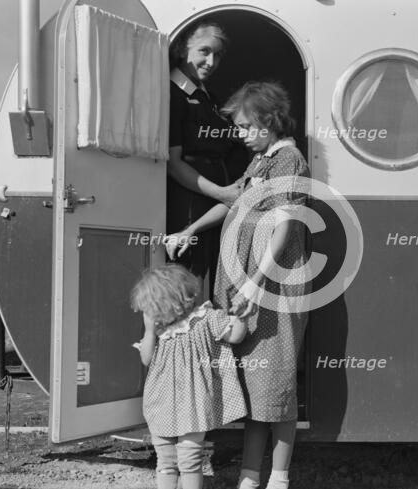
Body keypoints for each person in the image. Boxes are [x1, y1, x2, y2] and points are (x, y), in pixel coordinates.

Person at [166, 81, 310, 489]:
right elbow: (233, 200)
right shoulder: (261, 160)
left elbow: (285, 226)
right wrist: (190, 229)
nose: (240, 133)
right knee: (255, 383)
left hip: (273, 285)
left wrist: (257, 283)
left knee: (276, 381)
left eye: (247, 125)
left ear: (269, 121)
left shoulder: (289, 159)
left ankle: (278, 478)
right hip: (248, 284)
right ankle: (249, 476)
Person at [131, 264, 248, 489]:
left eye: (151, 308)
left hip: (193, 404)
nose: (148, 314)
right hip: (160, 404)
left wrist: (242, 318)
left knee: (189, 459)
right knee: (165, 461)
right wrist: (148, 330)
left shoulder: (205, 318)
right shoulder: (159, 331)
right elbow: (146, 359)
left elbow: (235, 336)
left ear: (172, 302)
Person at [167, 21, 244, 295]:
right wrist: (222, 193)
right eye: (204, 51)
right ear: (182, 48)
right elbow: (174, 163)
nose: (211, 62)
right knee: (190, 278)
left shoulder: (207, 96)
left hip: (215, 200)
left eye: (217, 55)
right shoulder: (174, 93)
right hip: (191, 199)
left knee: (211, 277)